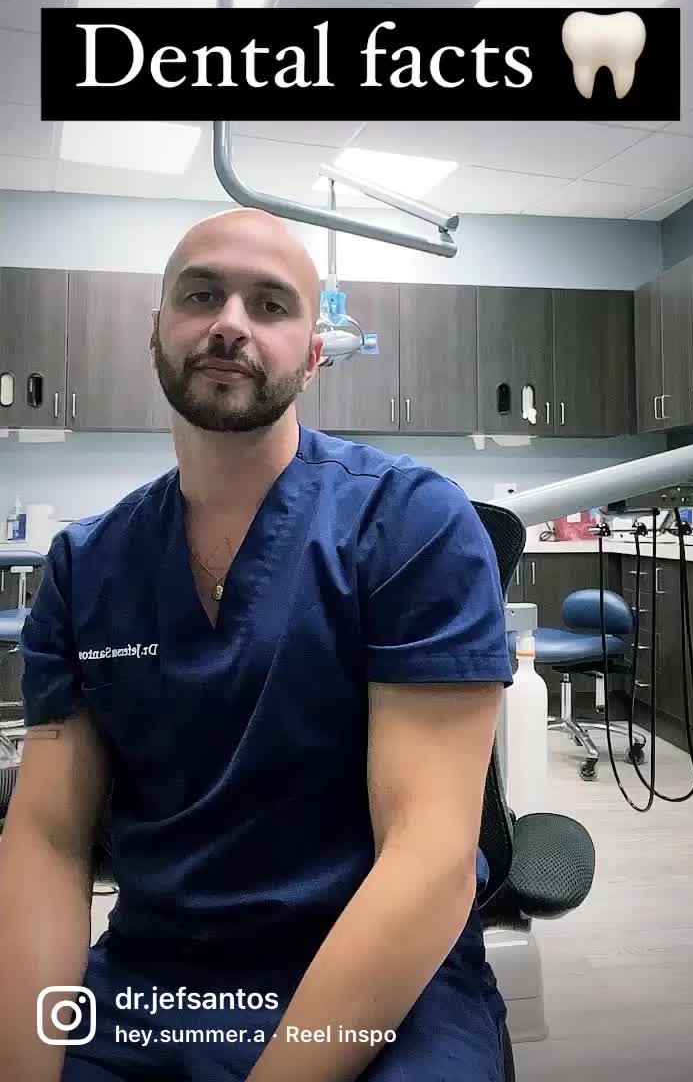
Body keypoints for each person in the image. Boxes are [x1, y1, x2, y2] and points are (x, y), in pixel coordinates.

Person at [0, 208, 513, 1082]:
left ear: (312, 355)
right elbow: (48, 840)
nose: (230, 323)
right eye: (201, 295)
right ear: (156, 331)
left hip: (383, 979)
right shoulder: (87, 566)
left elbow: (428, 854)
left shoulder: (410, 524)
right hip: (157, 982)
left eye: (270, 305)